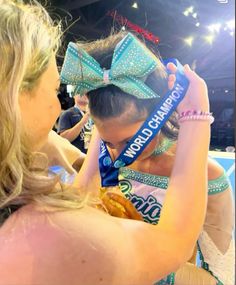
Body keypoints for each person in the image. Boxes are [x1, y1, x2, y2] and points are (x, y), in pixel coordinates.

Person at [0, 1, 212, 284]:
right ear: (15, 96)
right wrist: (197, 119)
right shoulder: (44, 232)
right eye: (53, 90)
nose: (56, 106)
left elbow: (80, 189)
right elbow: (174, 241)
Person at [61, 32, 235, 285]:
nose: (119, 155)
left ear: (159, 117)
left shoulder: (209, 175)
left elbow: (221, 268)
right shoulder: (103, 161)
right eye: (109, 142)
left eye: (130, 142)